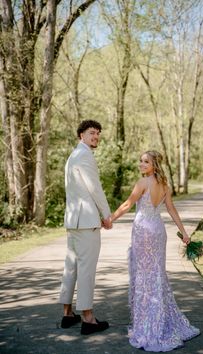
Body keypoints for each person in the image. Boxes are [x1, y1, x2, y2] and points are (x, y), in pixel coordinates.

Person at [111, 150, 200, 352]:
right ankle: (158, 319)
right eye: (140, 161)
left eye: (145, 162)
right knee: (156, 275)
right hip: (158, 231)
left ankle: (148, 326)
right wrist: (184, 233)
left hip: (143, 231)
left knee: (144, 275)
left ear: (154, 165)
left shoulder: (143, 183)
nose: (141, 164)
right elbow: (171, 210)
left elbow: (127, 204)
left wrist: (110, 219)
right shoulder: (165, 185)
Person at [59, 119, 112, 335]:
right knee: (86, 270)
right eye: (92, 132)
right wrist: (106, 215)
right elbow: (95, 188)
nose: (96, 136)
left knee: (71, 267)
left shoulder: (73, 156)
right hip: (86, 221)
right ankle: (88, 319)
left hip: (73, 221)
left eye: (98, 133)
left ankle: (67, 314)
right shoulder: (85, 156)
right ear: (81, 135)